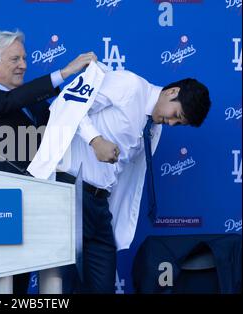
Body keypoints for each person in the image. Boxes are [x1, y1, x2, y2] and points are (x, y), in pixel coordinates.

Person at [27, 63, 212, 293]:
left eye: (178, 123)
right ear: (172, 92)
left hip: (100, 209)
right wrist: (96, 140)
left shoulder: (154, 129)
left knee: (103, 288)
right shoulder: (130, 85)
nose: (172, 122)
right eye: (176, 115)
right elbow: (68, 102)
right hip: (69, 195)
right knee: (61, 288)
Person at [0, 29, 96, 294]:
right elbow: (6, 103)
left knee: (18, 289)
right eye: (15, 59)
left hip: (25, 215)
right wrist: (64, 73)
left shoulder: (34, 103)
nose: (23, 65)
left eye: (24, 57)